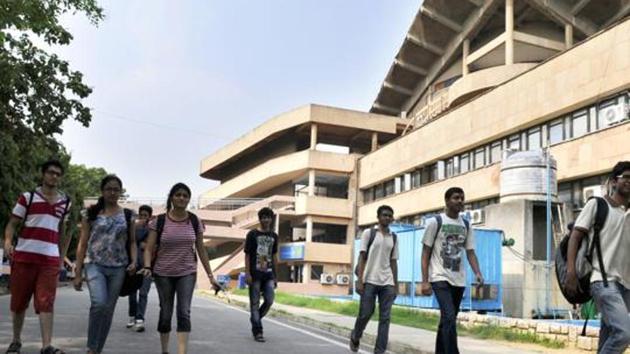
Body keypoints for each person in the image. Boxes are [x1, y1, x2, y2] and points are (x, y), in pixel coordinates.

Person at [139, 183, 219, 354]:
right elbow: (149, 248)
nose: (182, 198)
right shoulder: (158, 221)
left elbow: (201, 249)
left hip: (187, 273)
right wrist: (147, 266)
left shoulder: (195, 221)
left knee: (184, 312)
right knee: (166, 313)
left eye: (185, 195)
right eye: (178, 195)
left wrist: (211, 276)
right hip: (163, 273)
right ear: (172, 198)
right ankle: (165, 351)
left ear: (189, 199)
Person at [3, 159, 71, 354]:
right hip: (25, 257)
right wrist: (8, 242)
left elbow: (63, 232)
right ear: (43, 174)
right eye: (51, 172)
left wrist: (61, 259)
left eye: (58, 173)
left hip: (49, 260)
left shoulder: (65, 202)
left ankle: (46, 346)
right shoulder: (28, 197)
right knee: (19, 302)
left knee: (46, 302)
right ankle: (16, 341)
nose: (54, 176)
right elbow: (12, 224)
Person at [566, 161, 630, 354]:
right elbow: (575, 237)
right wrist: (571, 272)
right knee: (624, 333)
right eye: (626, 177)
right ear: (613, 181)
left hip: (626, 285)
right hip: (602, 280)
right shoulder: (597, 205)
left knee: (610, 334)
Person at [73, 175, 137, 354]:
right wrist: (78, 273)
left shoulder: (128, 215)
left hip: (119, 268)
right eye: (109, 188)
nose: (112, 192)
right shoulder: (90, 213)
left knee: (108, 310)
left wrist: (134, 261)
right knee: (99, 303)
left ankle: (95, 350)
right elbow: (83, 243)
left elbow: (132, 242)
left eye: (116, 189)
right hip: (94, 264)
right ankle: (91, 347)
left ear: (120, 192)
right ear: (102, 191)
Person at [421, 187, 483, 354]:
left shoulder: (467, 225)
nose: (460, 201)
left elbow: (470, 252)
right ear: (447, 201)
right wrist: (425, 280)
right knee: (449, 317)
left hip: (459, 279)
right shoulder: (435, 222)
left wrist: (478, 273)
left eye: (462, 198)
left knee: (447, 320)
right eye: (456, 198)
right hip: (439, 277)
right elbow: (425, 252)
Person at [350, 205, 399, 354]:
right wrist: (359, 281)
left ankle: (379, 351)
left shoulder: (394, 237)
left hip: (387, 282)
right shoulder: (369, 233)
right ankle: (356, 335)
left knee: (385, 318)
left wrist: (395, 285)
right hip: (369, 280)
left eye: (390, 215)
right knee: (366, 313)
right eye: (384, 215)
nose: (387, 218)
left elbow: (393, 262)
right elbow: (362, 256)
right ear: (378, 217)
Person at [244, 207, 279, 343]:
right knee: (254, 303)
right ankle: (258, 331)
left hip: (269, 274)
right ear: (260, 219)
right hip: (255, 274)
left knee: (269, 300)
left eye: (268, 217)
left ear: (271, 219)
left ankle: (255, 318)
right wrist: (247, 273)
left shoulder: (274, 236)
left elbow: (275, 256)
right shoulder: (252, 234)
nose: (266, 220)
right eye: (263, 217)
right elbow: (247, 254)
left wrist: (276, 276)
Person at [126, 204, 153, 332]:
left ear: (150, 217)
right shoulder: (134, 228)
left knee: (143, 293)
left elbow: (154, 245)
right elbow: (129, 241)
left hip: (147, 266)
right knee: (132, 292)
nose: (143, 218)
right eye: (141, 215)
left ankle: (140, 318)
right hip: (134, 265)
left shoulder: (153, 229)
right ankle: (132, 315)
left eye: (145, 216)